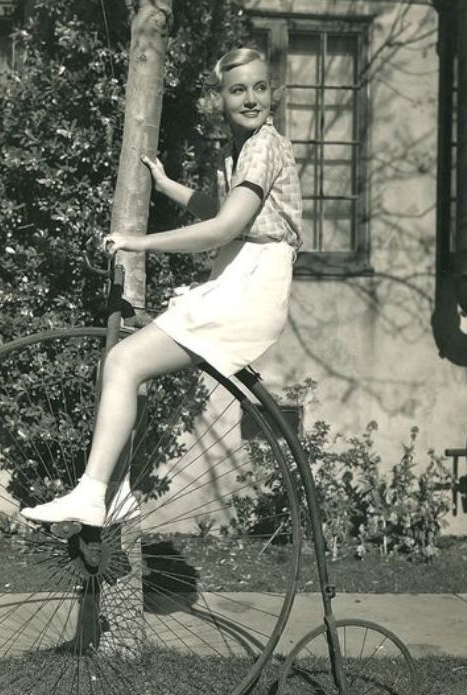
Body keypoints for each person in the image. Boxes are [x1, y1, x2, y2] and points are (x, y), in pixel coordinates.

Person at [21, 47, 303, 527]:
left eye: (259, 88)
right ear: (222, 99)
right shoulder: (240, 149)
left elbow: (220, 230)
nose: (250, 99)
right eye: (238, 90)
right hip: (241, 275)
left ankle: (93, 493)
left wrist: (137, 241)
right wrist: (166, 183)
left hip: (250, 283)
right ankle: (119, 490)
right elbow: (220, 211)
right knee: (127, 367)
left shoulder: (263, 145)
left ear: (273, 94)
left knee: (124, 361)